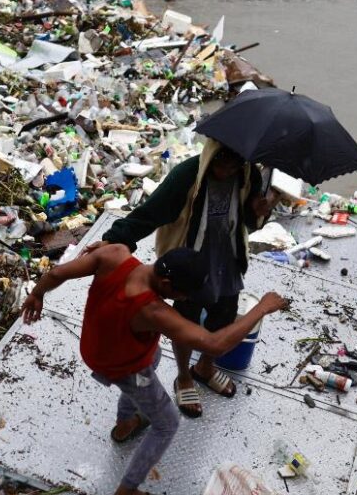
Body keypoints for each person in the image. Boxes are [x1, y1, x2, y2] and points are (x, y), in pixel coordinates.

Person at [22, 243, 288, 495]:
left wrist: (37, 295)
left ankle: (126, 421)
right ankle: (126, 493)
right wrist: (261, 309)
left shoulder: (114, 253)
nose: (185, 300)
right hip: (121, 365)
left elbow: (56, 274)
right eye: (183, 294)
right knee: (167, 422)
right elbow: (214, 344)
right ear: (166, 283)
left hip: (94, 344)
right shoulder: (153, 311)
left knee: (155, 355)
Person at [85, 139, 280, 418]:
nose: (227, 168)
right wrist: (115, 239)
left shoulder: (249, 174)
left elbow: (248, 222)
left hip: (227, 257)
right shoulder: (187, 175)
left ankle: (205, 368)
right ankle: (183, 376)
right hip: (190, 260)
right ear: (212, 152)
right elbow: (150, 213)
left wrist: (260, 211)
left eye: (235, 162)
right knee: (186, 319)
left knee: (224, 314)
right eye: (222, 159)